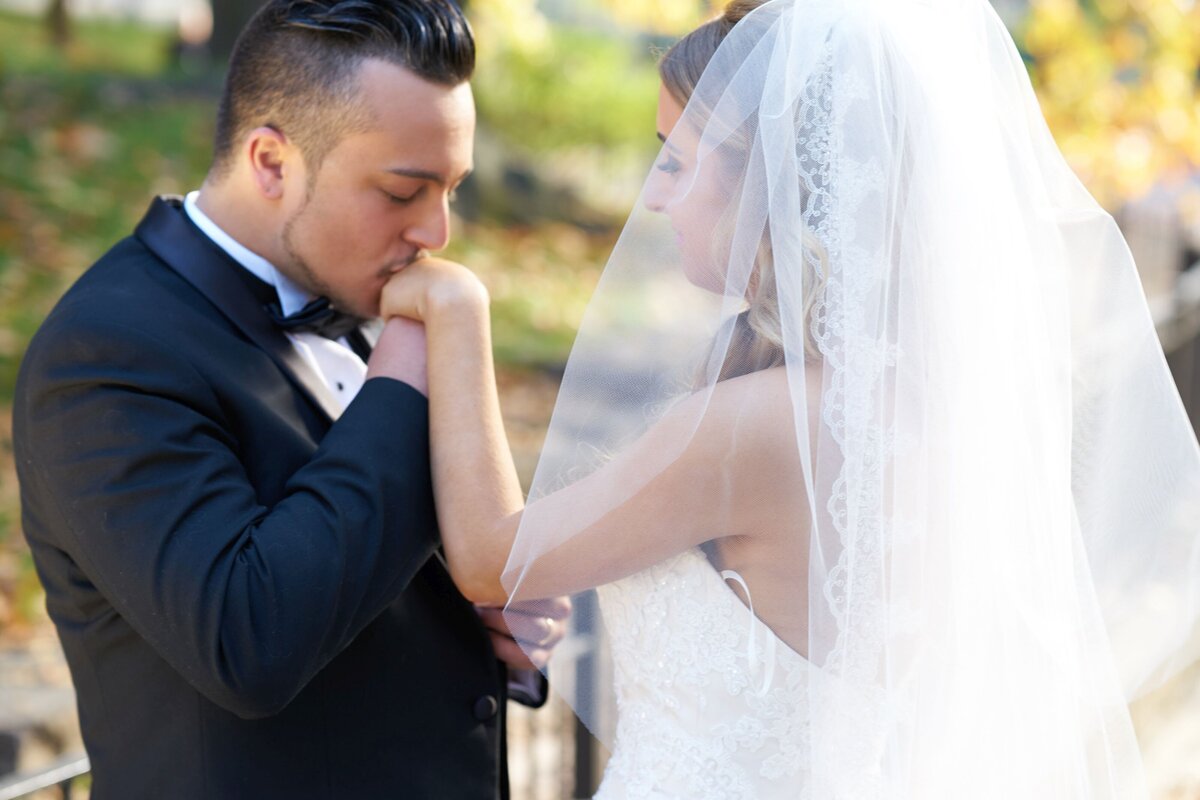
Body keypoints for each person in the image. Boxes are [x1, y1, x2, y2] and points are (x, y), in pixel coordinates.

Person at [380, 0, 1200, 796]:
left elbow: (494, 560)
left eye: (673, 158)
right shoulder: (925, 413)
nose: (654, 196)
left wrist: (457, 314)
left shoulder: (752, 427)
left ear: (764, 184)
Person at [12, 1, 567, 798]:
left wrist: (494, 623)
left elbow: (369, 563)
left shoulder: (356, 287)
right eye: (404, 190)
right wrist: (413, 362)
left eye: (452, 189)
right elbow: (249, 641)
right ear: (271, 161)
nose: (438, 234)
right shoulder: (106, 353)